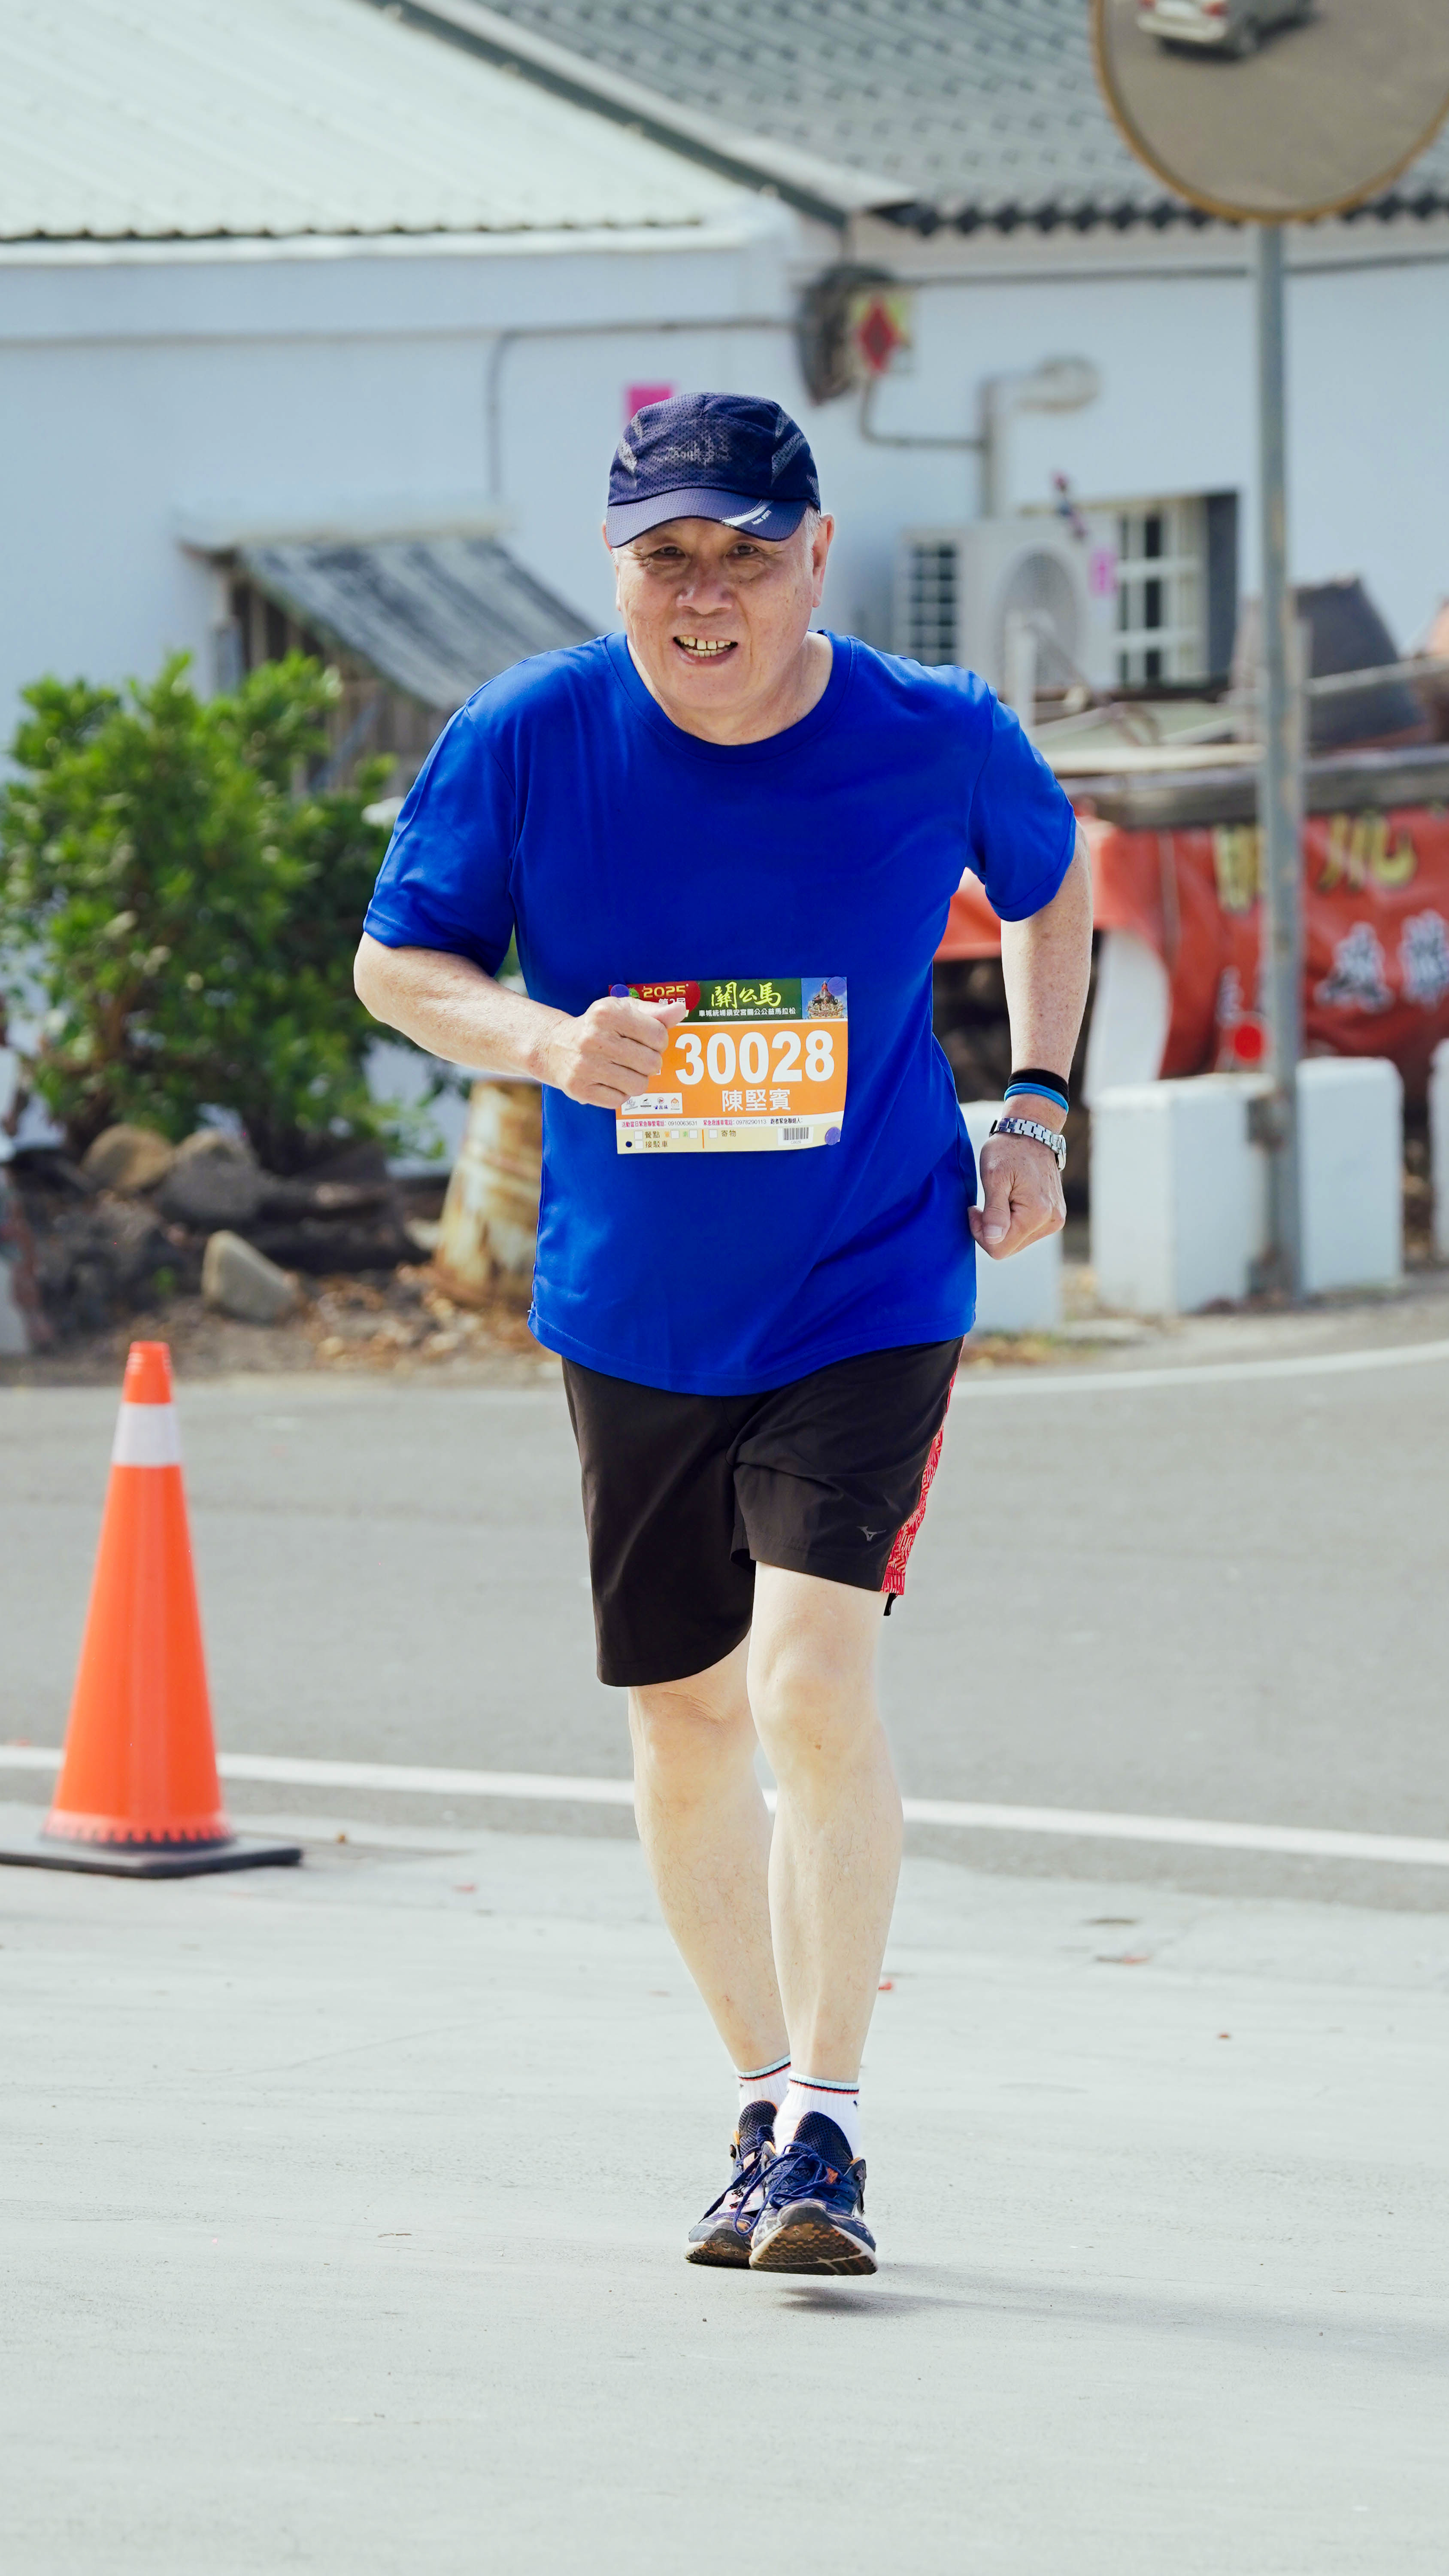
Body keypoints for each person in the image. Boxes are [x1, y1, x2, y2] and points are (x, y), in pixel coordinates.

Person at [355, 392, 1092, 2275]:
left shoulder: (936, 730)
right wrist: (543, 1039)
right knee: (684, 1721)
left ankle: (830, 2131)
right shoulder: (528, 733)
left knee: (808, 1683)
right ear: (618, 568)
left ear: (815, 553)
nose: (704, 596)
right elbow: (397, 962)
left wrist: (1035, 1104)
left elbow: (1049, 879)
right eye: (665, 558)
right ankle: (760, 2105)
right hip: (633, 1306)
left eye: (744, 556)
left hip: (871, 1281)